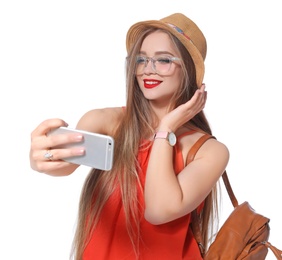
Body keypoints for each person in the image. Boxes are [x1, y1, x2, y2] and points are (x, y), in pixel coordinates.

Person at [29, 13, 229, 260]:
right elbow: (65, 163)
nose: (148, 70)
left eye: (163, 60)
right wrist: (42, 158)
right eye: (141, 59)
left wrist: (165, 129)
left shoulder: (209, 151)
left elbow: (157, 210)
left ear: (188, 69)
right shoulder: (106, 123)